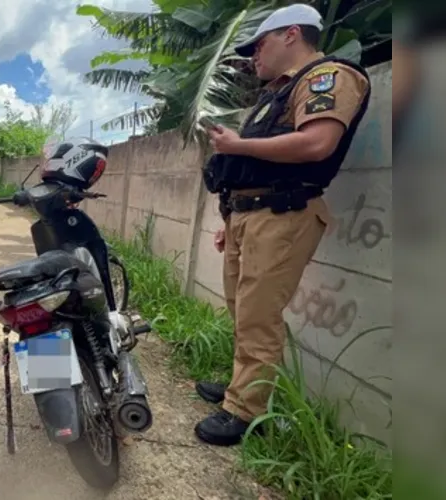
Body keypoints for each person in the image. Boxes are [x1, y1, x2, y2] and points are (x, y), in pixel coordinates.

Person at [194, 3, 372, 447]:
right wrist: (230, 217)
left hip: (283, 214)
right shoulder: (277, 92)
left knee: (258, 315)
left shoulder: (328, 77)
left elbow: (317, 142)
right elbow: (258, 162)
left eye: (259, 45)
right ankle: (243, 384)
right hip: (248, 215)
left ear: (291, 34)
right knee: (241, 308)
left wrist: (238, 145)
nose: (254, 56)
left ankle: (244, 410)